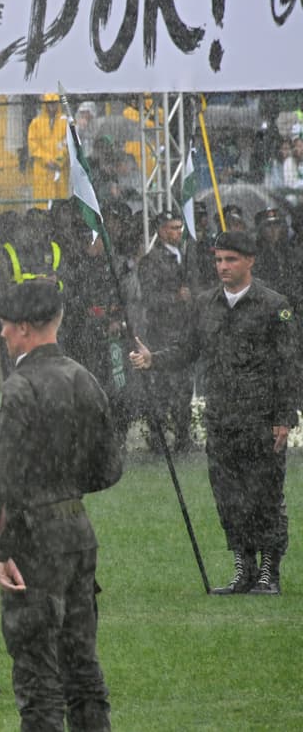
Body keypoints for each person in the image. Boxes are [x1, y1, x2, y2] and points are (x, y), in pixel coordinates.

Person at [131, 230, 299, 595]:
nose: (223, 266)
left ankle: (269, 571)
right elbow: (187, 349)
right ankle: (243, 569)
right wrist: (152, 360)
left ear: (250, 260)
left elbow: (288, 366)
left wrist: (284, 417)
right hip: (222, 418)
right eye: (219, 259)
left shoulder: (274, 306)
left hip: (260, 418)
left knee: (265, 496)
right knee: (229, 496)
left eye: (231, 259)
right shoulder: (205, 304)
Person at [0, 280, 119, 732]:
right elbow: (109, 468)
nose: (2, 333)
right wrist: (66, 486)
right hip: (77, 532)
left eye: (6, 325)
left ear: (24, 328)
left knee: (37, 672)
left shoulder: (19, 387)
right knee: (82, 663)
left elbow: (4, 483)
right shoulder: (84, 377)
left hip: (33, 539)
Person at [137, 210, 198, 456]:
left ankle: (183, 436)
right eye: (172, 228)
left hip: (184, 329)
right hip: (162, 331)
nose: (177, 232)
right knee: (162, 386)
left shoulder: (185, 256)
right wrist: (175, 298)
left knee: (184, 386)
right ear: (161, 230)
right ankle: (158, 438)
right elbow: (149, 298)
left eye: (179, 227)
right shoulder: (152, 261)